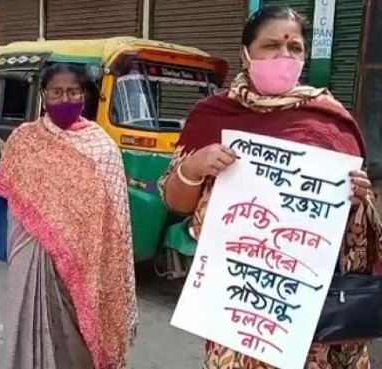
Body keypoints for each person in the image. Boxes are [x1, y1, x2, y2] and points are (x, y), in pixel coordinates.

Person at [158, 6, 378, 369]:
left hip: (311, 304)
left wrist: (359, 199)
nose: (284, 56)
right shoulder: (213, 116)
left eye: (295, 48)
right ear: (246, 52)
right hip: (240, 300)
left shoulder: (328, 117)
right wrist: (195, 166)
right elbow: (176, 202)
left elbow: (355, 221)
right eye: (271, 45)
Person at [0, 62, 138, 369]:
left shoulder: (102, 146)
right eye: (56, 92)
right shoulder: (24, 140)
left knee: (79, 338)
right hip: (32, 254)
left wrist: (73, 241)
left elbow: (113, 217)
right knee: (32, 327)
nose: (64, 99)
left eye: (73, 91)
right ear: (43, 96)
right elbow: (7, 190)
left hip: (83, 261)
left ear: (84, 96)